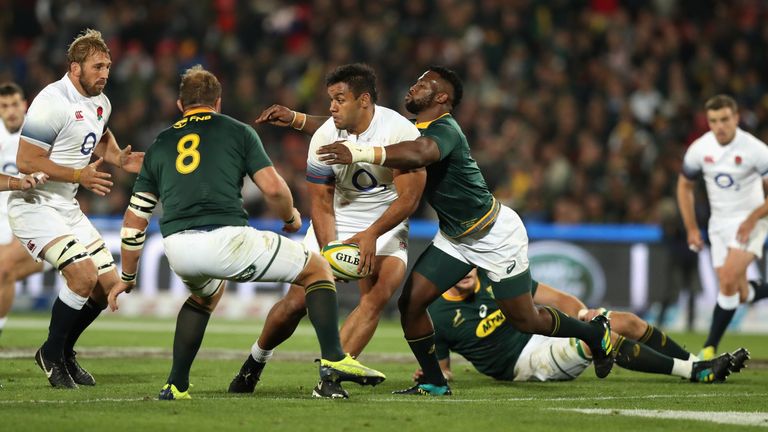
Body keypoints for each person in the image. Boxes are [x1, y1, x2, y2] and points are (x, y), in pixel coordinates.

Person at [318, 66, 614, 396]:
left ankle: (593, 333)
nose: (414, 86)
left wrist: (358, 152)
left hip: (494, 234)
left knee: (525, 319)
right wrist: (297, 120)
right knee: (411, 304)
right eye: (415, 80)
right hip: (456, 238)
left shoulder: (445, 129)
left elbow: (422, 153)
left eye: (424, 84)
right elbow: (355, 121)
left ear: (442, 97)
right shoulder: (412, 128)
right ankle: (434, 381)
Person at [107, 65, 386, 401]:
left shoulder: (160, 143)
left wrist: (127, 275)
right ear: (218, 102)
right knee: (317, 269)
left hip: (179, 248)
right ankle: (334, 361)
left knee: (203, 297)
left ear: (181, 106)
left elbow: (134, 220)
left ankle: (176, 385)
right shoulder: (236, 131)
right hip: (227, 239)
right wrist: (291, 216)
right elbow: (273, 188)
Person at [228, 63, 425, 398]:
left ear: (363, 101)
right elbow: (320, 202)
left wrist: (372, 235)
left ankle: (330, 375)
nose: (331, 106)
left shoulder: (399, 132)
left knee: (379, 293)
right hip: (339, 216)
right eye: (330, 99)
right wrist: (331, 250)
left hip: (387, 220)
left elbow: (409, 199)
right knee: (295, 304)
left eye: (339, 99)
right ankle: (255, 361)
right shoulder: (323, 137)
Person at [9, 29, 144, 389]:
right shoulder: (51, 101)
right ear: (74, 68)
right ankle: (52, 355)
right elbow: (26, 160)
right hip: (34, 204)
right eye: (97, 67)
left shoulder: (101, 101)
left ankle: (62, 351)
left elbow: (99, 133)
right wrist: (78, 174)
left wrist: (117, 157)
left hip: (66, 206)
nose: (105, 74)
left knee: (108, 287)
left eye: (108, 66)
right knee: (83, 277)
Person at [421, 268, 747, 384]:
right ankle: (694, 373)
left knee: (627, 321)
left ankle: (697, 364)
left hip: (542, 334)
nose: (465, 270)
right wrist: (435, 373)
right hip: (523, 365)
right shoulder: (436, 313)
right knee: (599, 339)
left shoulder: (495, 277)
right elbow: (444, 369)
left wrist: (584, 313)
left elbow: (560, 298)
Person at [677, 95, 768, 360]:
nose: (720, 126)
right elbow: (684, 186)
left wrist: (753, 217)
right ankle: (757, 291)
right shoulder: (699, 149)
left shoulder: (755, 149)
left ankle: (709, 348)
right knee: (737, 292)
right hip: (718, 225)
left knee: (726, 280)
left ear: (736, 118)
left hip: (750, 220)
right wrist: (692, 228)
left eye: (725, 119)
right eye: (714, 121)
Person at [0, 82, 51, 339]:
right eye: (4, 106)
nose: (10, 111)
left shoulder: (38, 135)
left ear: (25, 106)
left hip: (35, 220)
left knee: (3, 269)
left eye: (14, 104)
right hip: (3, 223)